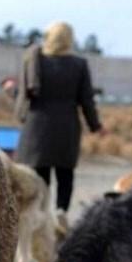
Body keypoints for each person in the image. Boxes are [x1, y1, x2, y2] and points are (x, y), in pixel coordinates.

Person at [14, 21, 103, 230]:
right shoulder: (79, 64)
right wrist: (95, 125)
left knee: (40, 176)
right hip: (66, 127)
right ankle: (61, 210)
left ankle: (42, 216)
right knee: (65, 174)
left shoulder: (34, 60)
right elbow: (87, 100)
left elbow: (24, 94)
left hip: (37, 127)